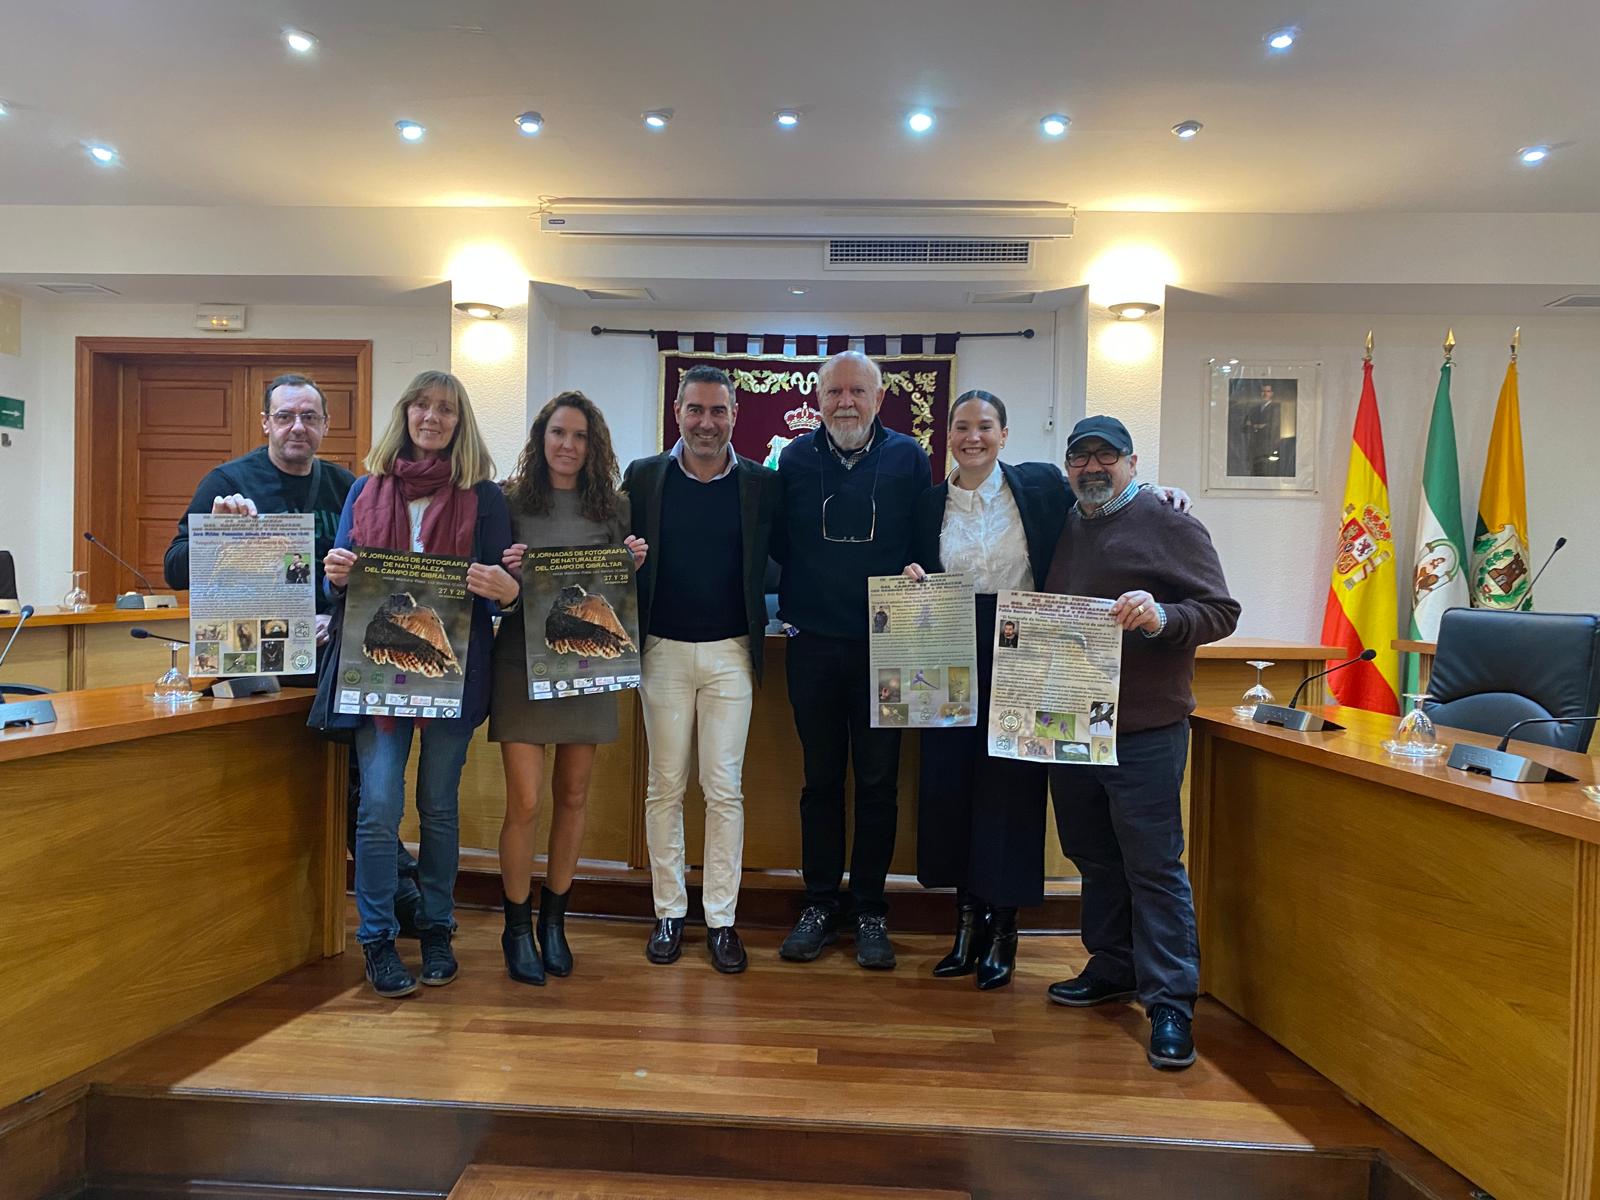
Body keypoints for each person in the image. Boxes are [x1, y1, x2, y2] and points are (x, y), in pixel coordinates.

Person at [162, 373, 424, 935]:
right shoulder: (228, 483)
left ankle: (395, 895)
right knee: (278, 793)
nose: (297, 427)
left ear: (326, 425)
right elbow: (175, 567)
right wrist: (219, 531)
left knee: (359, 786)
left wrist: (339, 608)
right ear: (266, 423)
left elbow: (373, 572)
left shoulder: (346, 485)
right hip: (261, 672)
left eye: (309, 417)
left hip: (334, 667)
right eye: (285, 417)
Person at [1042, 415, 1239, 1070]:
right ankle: (1114, 964)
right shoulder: (1069, 520)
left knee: (1153, 864)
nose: (1092, 469)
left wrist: (1162, 617)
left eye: (1106, 458)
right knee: (1093, 855)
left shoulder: (1169, 521)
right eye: (1080, 459)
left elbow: (1220, 611)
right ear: (1067, 466)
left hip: (1146, 728)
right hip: (1074, 721)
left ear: (1131, 462)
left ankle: (1171, 1005)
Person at [323, 370, 516, 998]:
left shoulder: (484, 498)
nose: (432, 417)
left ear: (461, 423)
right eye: (422, 405)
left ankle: (436, 926)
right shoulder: (364, 490)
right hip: (375, 674)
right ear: (404, 412)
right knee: (378, 809)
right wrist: (338, 574)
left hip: (453, 680)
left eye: (447, 409)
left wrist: (503, 590)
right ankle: (376, 937)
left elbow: (506, 595)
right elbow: (336, 582)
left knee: (437, 806)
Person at [902, 389, 1074, 990]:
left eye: (984, 426)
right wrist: (911, 575)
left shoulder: (1041, 487)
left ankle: (1005, 929)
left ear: (1005, 434)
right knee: (952, 785)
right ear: (946, 435)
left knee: (1012, 786)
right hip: (949, 645)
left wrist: (1162, 494)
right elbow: (910, 568)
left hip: (1023, 644)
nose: (972, 436)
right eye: (961, 427)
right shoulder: (927, 504)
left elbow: (1107, 500)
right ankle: (966, 924)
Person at [622, 365, 782, 974]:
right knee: (664, 786)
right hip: (659, 649)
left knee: (724, 790)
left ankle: (721, 919)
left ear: (735, 416)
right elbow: (613, 560)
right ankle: (668, 911)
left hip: (731, 654)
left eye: (718, 411)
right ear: (678, 412)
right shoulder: (643, 477)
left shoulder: (761, 485)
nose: (706, 423)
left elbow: (783, 561)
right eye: (696, 410)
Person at [773, 351, 927, 969]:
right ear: (817, 398)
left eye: (856, 392)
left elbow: (929, 532)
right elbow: (777, 541)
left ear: (879, 397)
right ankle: (818, 903)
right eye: (833, 392)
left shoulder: (908, 458)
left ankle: (869, 908)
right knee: (819, 782)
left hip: (887, 647)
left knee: (878, 783)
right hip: (811, 644)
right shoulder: (794, 459)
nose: (844, 402)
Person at [491, 391, 646, 985]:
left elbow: (615, 596)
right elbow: (487, 583)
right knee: (525, 802)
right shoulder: (507, 502)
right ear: (541, 437)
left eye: (581, 436)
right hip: (521, 666)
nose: (568, 445)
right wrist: (504, 572)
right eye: (559, 433)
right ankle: (516, 925)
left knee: (574, 797)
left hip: (586, 668)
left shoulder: (616, 508)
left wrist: (631, 563)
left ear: (594, 445)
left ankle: (556, 920)